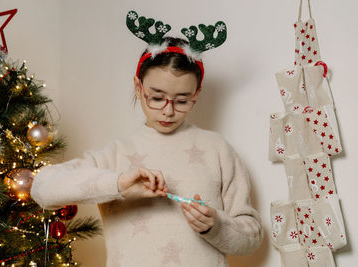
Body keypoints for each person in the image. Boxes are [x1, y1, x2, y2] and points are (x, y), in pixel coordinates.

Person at [30, 12, 263, 267]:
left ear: (196, 94)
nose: (168, 110)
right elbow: (42, 188)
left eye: (182, 100)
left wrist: (216, 226)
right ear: (139, 88)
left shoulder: (218, 150)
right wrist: (117, 184)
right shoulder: (115, 156)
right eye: (157, 97)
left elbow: (251, 237)